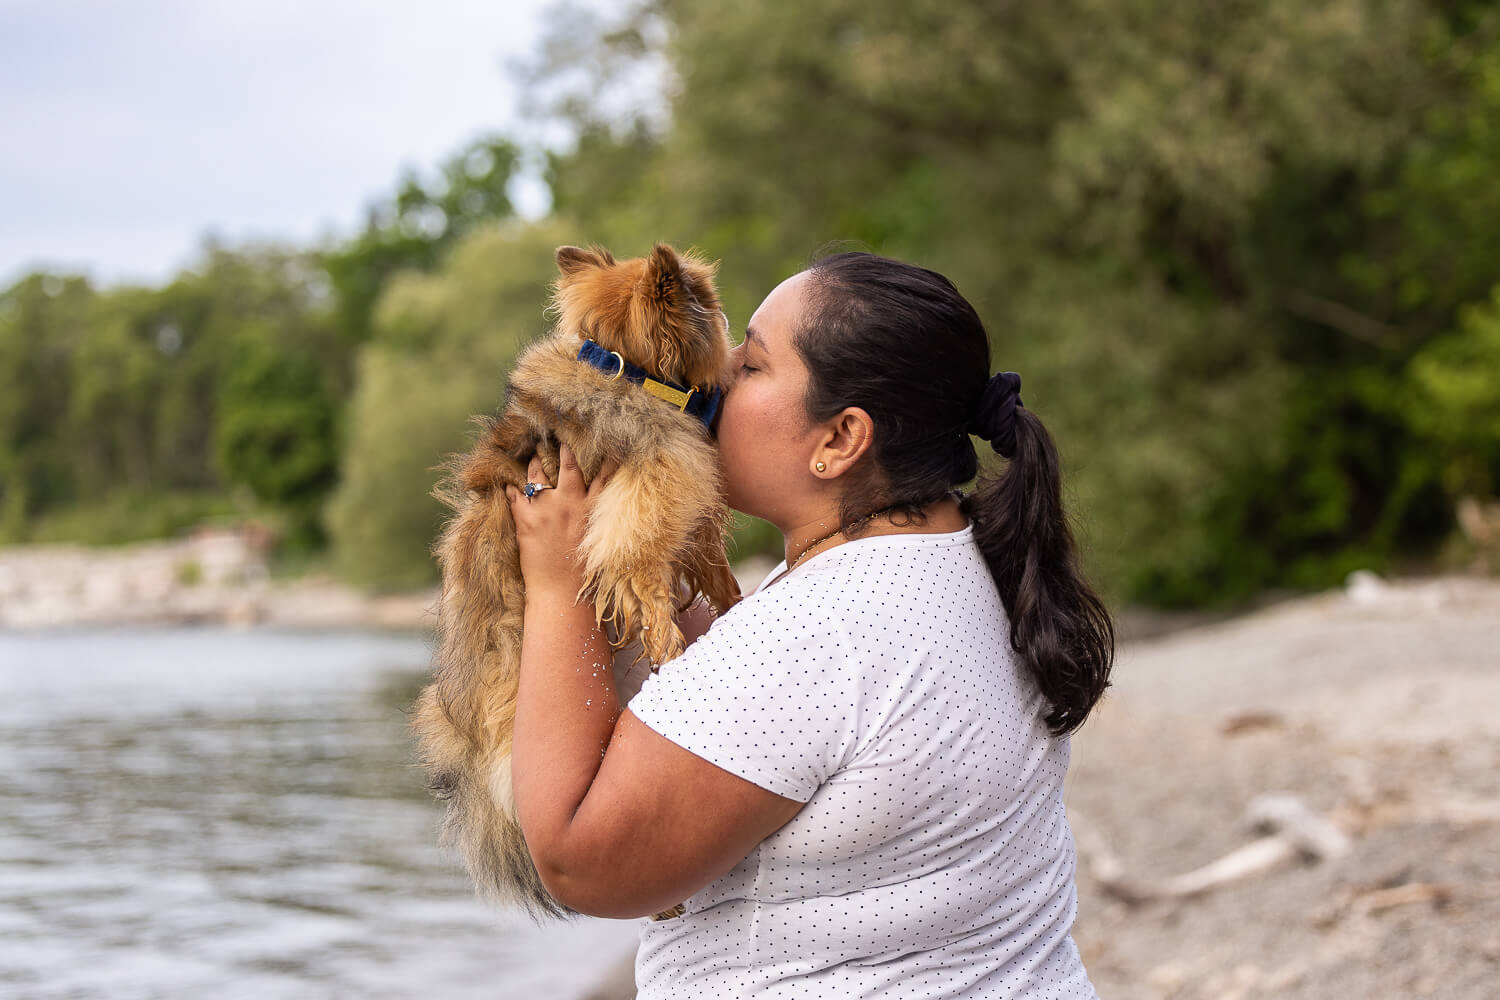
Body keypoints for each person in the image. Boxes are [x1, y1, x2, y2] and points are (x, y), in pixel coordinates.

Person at [504, 251, 1114, 998]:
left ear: (839, 440)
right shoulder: (952, 561)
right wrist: (634, 550)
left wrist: (560, 582)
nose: (718, 373)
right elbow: (756, 709)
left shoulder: (823, 632)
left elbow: (580, 861)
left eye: (752, 365)